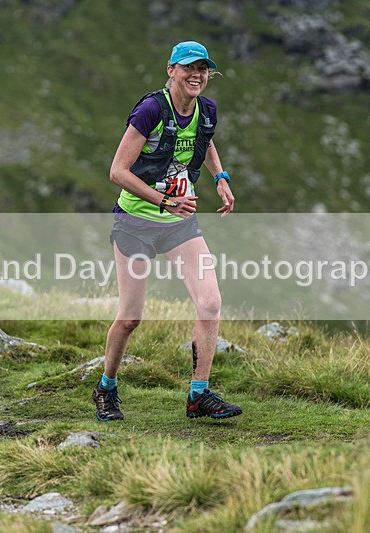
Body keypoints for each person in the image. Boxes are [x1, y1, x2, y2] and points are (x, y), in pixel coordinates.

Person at [93, 40, 242, 421]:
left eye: (203, 69)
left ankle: (199, 394)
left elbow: (203, 141)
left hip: (179, 224)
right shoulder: (151, 110)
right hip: (135, 224)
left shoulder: (206, 110)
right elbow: (117, 171)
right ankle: (106, 387)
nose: (197, 75)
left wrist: (220, 177)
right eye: (189, 68)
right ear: (171, 70)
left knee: (209, 303)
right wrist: (163, 202)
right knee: (130, 317)